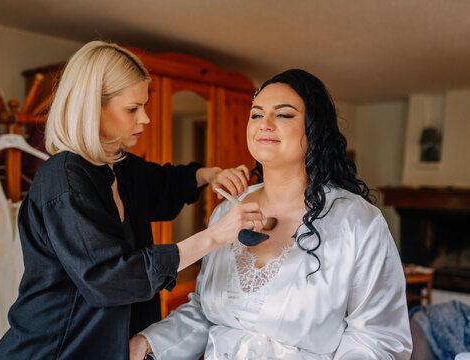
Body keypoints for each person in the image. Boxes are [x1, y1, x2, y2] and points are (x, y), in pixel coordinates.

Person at [0, 41, 264, 360]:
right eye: (133, 109)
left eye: (144, 106)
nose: (145, 118)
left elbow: (164, 184)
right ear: (92, 107)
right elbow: (111, 279)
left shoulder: (119, 166)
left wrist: (209, 175)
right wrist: (215, 236)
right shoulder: (64, 180)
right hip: (56, 350)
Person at [131, 69, 413, 359]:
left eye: (284, 115)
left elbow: (377, 338)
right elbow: (205, 311)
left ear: (315, 129)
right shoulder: (228, 211)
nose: (264, 124)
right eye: (256, 114)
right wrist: (148, 342)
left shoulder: (356, 222)